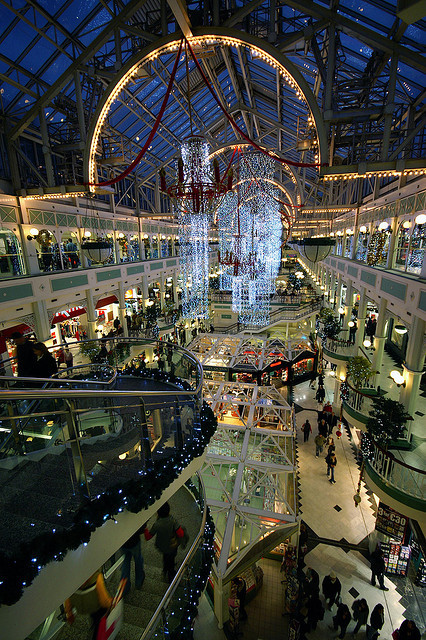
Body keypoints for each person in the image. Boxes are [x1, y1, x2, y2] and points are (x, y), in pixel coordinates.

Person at [144, 501, 186, 583]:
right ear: (168, 511)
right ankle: (171, 575)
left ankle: (165, 569)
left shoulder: (157, 524)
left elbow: (148, 537)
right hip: (172, 546)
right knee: (171, 559)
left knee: (166, 557)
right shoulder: (173, 521)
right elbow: (180, 534)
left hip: (162, 546)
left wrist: (145, 529)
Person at [65, 570, 112, 640]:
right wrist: (111, 603)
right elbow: (104, 601)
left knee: (94, 618)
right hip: (95, 607)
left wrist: (69, 612)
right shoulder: (97, 576)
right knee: (99, 622)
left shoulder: (70, 578)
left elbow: (67, 596)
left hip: (81, 606)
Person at [121, 526, 145, 596]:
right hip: (135, 542)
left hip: (123, 543)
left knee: (126, 562)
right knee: (138, 560)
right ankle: (138, 581)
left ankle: (125, 588)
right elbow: (141, 529)